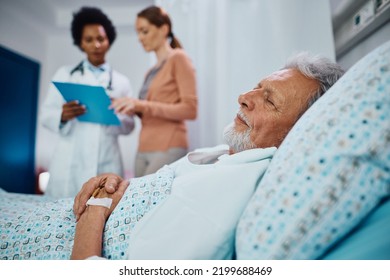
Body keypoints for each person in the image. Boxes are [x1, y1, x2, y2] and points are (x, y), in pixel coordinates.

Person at [0, 53, 344, 260]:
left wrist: (96, 209)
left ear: (300, 134)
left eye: (269, 100)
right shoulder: (225, 157)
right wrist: (118, 186)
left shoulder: (229, 195)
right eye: (257, 85)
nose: (243, 96)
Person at [40, 7, 135, 199]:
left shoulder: (121, 82)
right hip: (68, 163)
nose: (96, 45)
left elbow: (130, 125)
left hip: (106, 160)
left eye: (101, 39)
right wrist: (62, 115)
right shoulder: (65, 74)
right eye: (89, 40)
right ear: (80, 43)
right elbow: (46, 115)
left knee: (102, 216)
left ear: (109, 40)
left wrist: (113, 115)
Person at [110, 5, 198, 177]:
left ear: (164, 29)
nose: (140, 38)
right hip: (144, 148)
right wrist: (129, 107)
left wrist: (141, 105)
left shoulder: (179, 58)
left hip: (168, 145)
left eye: (144, 31)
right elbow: (149, 110)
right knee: (136, 201)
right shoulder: (150, 71)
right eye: (138, 33)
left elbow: (190, 110)